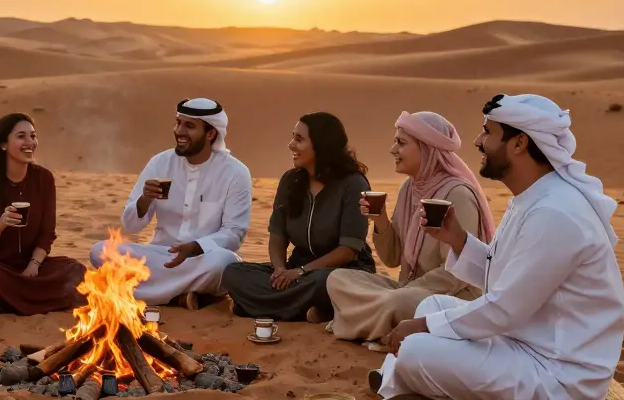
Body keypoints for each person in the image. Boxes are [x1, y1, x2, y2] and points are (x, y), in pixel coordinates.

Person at [373, 94, 624, 400]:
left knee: (418, 348)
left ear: (519, 143)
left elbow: (506, 307)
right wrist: (458, 240)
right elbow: (504, 273)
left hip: (559, 374)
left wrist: (423, 328)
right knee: (431, 305)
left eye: (488, 132)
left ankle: (417, 386)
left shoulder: (555, 211)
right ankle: (416, 387)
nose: (478, 142)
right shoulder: (534, 198)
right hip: (524, 340)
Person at [325, 111, 493, 345]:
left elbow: (455, 274)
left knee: (397, 302)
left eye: (401, 143)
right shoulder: (409, 189)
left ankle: (356, 323)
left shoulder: (457, 194)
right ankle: (374, 324)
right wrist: (380, 218)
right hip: (408, 288)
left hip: (448, 297)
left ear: (427, 148)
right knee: (338, 279)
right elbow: (392, 258)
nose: (393, 149)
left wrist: (406, 291)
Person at [88, 98, 252, 308]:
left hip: (201, 259)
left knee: (226, 263)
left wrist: (196, 247)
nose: (179, 131)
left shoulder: (235, 173)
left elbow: (234, 233)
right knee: (100, 251)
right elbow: (130, 226)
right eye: (178, 123)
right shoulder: (160, 163)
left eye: (189, 126)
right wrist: (145, 200)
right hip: (159, 256)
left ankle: (137, 293)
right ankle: (182, 296)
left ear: (210, 134)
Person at [223, 112, 374, 321]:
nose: (291, 145)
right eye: (293, 137)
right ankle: (308, 310)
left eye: (299, 139)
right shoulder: (290, 180)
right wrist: (279, 269)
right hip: (295, 271)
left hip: (340, 271)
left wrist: (301, 272)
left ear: (322, 145)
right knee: (233, 272)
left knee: (325, 282)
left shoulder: (354, 184)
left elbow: (347, 250)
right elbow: (277, 235)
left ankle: (259, 306)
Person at [0, 113, 86, 314]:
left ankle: (21, 299)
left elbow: (47, 233)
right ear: (3, 144)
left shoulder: (43, 179)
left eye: (33, 136)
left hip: (29, 267)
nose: (30, 142)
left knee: (75, 270)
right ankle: (39, 300)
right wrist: (1, 223)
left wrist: (34, 265)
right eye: (21, 136)